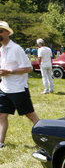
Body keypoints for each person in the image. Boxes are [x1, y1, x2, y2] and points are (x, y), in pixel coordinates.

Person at [0, 21, 40, 149]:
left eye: (1, 31)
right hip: (4, 88)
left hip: (18, 89)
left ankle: (44, 138)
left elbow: (29, 68)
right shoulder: (1, 49)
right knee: (2, 115)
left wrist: (10, 71)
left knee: (30, 115)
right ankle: (0, 142)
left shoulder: (16, 49)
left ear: (8, 32)